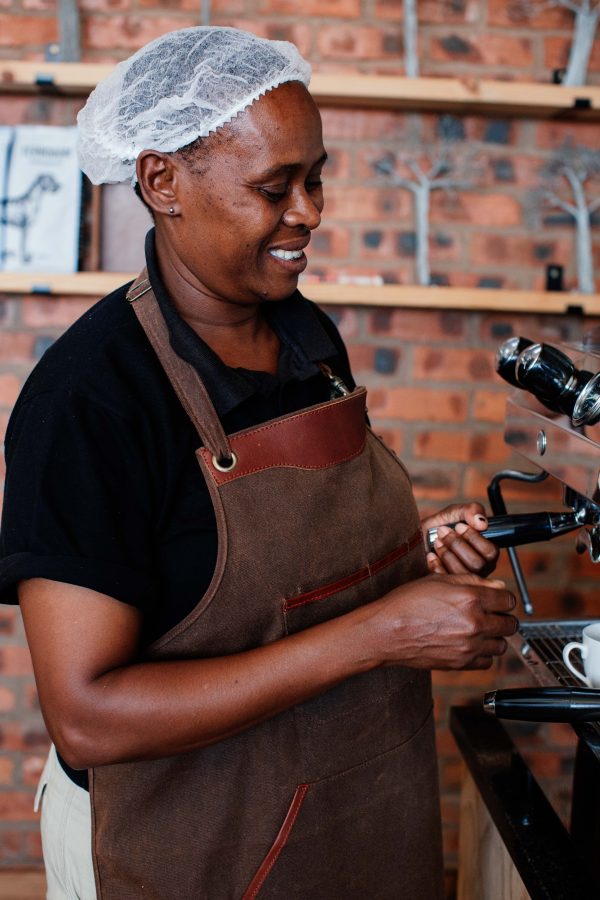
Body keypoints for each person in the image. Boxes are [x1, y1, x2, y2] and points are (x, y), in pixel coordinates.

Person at [0, 26, 517, 900]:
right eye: (274, 188)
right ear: (162, 181)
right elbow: (87, 716)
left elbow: (280, 579)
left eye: (315, 179)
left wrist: (410, 558)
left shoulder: (307, 338)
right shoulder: (90, 399)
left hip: (351, 814)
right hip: (181, 845)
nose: (310, 212)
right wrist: (383, 631)